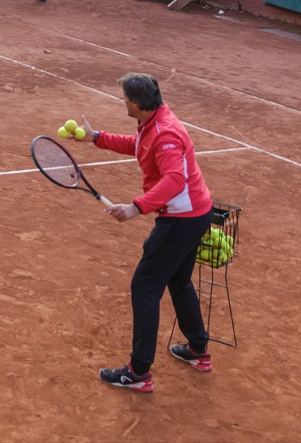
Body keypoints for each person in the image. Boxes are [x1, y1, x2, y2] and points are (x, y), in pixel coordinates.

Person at [79, 72, 214, 393]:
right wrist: (95, 136)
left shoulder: (166, 134)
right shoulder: (154, 123)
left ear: (137, 103)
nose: (122, 102)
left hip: (181, 221)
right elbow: (137, 146)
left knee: (144, 287)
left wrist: (135, 207)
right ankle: (198, 350)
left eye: (124, 98)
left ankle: (138, 371)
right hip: (194, 214)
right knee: (179, 282)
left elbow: (173, 181)